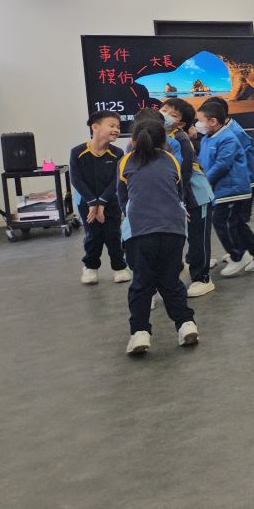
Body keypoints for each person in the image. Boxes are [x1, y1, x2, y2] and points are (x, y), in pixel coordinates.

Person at [117, 119, 198, 356]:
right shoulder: (171, 159)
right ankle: (186, 324)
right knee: (170, 281)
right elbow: (178, 193)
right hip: (174, 229)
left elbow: (122, 198)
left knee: (142, 284)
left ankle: (140, 332)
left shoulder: (126, 161)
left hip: (141, 232)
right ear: (164, 140)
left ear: (134, 140)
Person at [197, 100, 254, 276]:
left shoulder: (229, 137)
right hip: (220, 190)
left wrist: (205, 180)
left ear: (213, 121)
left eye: (200, 120)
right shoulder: (208, 138)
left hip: (232, 189)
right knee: (236, 222)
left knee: (222, 222)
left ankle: (239, 255)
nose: (198, 124)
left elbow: (222, 164)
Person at [163, 98, 215, 297]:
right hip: (174, 196)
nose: (165, 114)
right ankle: (182, 268)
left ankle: (203, 278)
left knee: (198, 238)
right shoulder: (156, 135)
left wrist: (179, 201)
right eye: (164, 109)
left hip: (195, 195)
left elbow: (183, 173)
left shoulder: (181, 138)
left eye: (173, 114)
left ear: (181, 123)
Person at [70, 111, 129, 284]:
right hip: (86, 202)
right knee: (93, 236)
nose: (116, 130)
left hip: (110, 202)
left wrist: (101, 202)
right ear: (95, 127)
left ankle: (119, 267)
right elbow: (76, 179)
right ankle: (90, 267)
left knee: (113, 235)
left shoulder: (117, 153)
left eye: (118, 127)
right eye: (112, 125)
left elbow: (116, 180)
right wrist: (92, 203)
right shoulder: (77, 152)